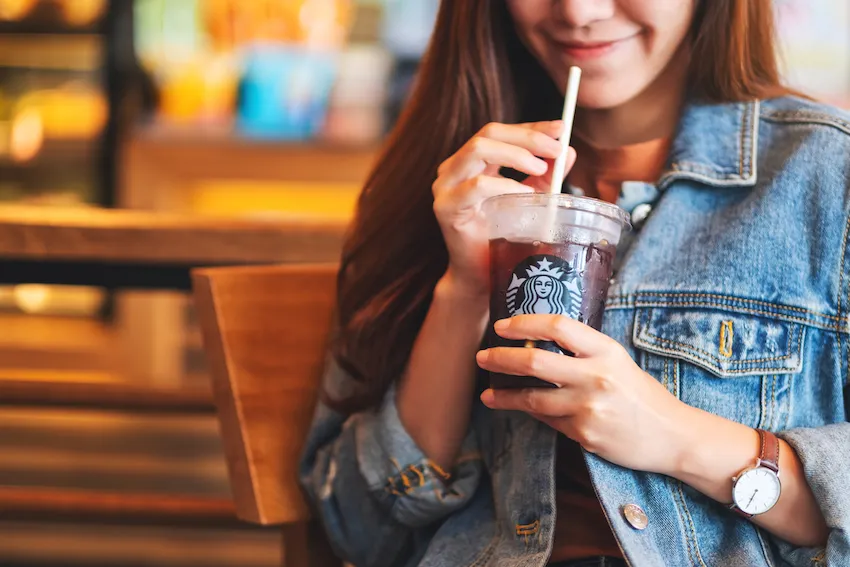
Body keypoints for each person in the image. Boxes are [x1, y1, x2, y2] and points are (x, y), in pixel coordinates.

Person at [300, 1, 850, 566]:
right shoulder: (444, 184)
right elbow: (359, 532)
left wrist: (678, 438)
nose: (579, 11)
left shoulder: (829, 175)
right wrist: (465, 285)